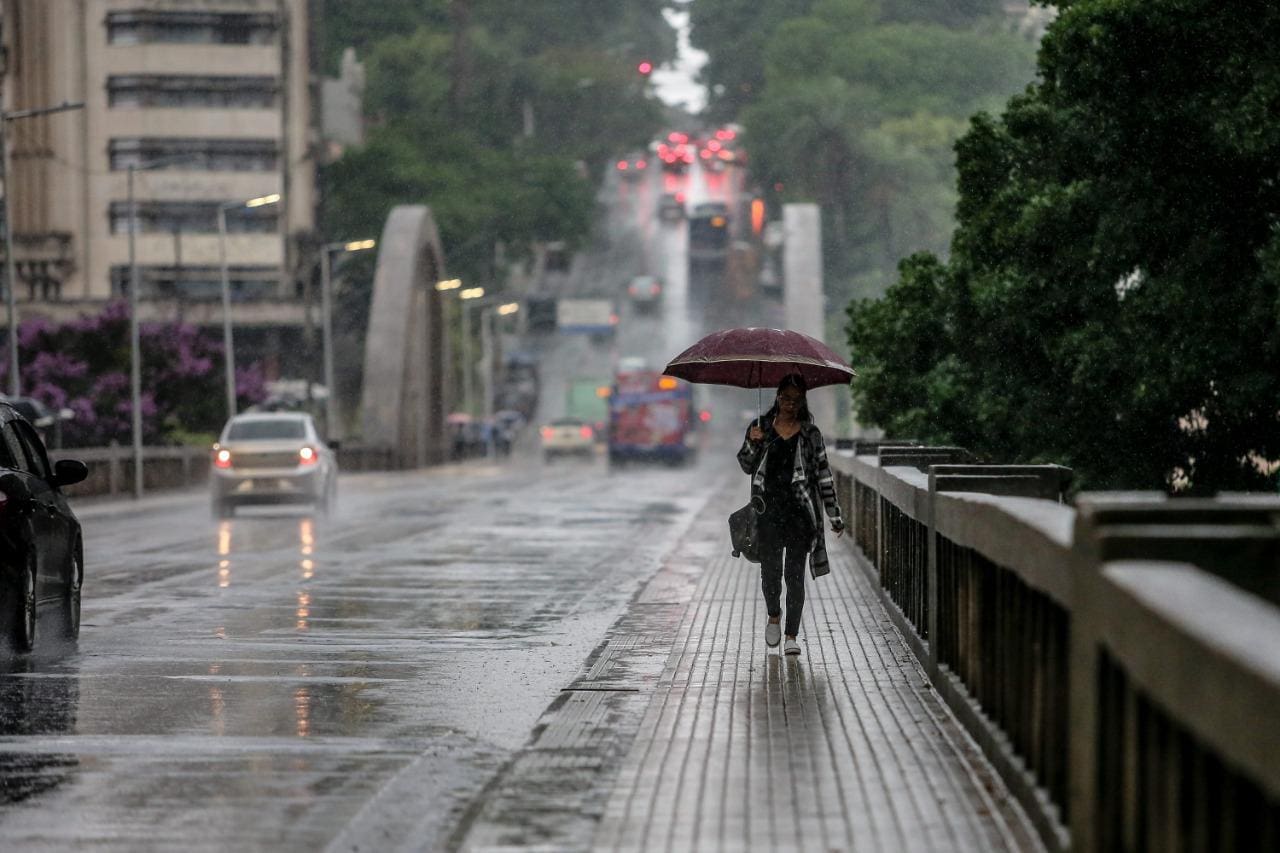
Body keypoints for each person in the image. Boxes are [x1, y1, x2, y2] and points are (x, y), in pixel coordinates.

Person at [737, 374, 845, 656]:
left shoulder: (811, 435)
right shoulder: (759, 427)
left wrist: (834, 515)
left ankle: (791, 635)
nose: (789, 404)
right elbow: (747, 465)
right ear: (777, 396)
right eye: (785, 397)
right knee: (770, 574)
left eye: (795, 400)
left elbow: (823, 475)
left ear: (802, 402)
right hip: (768, 513)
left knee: (794, 575)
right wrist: (753, 442)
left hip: (800, 515)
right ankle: (774, 614)